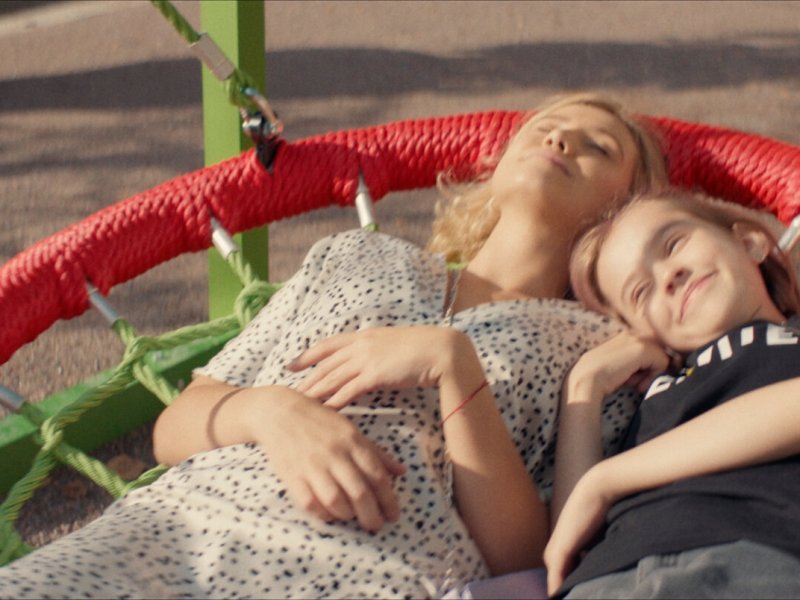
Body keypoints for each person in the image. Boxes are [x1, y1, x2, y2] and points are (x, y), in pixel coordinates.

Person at [0, 92, 667, 599]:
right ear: (496, 160)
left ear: (625, 208)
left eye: (598, 147)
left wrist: (454, 368)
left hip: (365, 568)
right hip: (173, 531)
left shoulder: (595, 350)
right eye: (547, 125)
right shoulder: (355, 255)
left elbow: (527, 559)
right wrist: (272, 412)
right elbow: (173, 429)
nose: (561, 137)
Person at [545, 190, 800, 598]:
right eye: (640, 292)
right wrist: (584, 388)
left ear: (750, 242)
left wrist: (608, 479)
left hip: (757, 555)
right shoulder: (654, 394)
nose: (667, 276)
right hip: (605, 580)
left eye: (673, 244)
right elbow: (569, 536)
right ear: (645, 333)